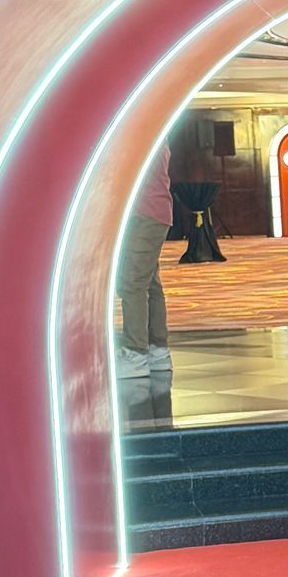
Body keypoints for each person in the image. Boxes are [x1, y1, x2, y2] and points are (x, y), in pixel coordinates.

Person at [116, 144, 174, 398]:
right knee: (149, 282)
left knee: (132, 284)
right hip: (152, 213)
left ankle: (135, 353)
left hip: (145, 213)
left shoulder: (142, 140)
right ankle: (156, 349)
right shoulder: (154, 136)